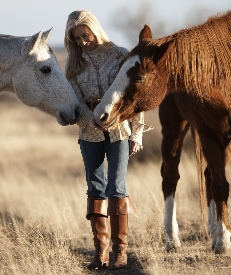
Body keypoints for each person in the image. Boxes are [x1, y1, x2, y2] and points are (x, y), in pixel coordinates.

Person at [64, 10, 152, 270]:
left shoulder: (119, 54)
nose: (82, 42)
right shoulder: (73, 63)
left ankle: (120, 253)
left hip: (119, 131)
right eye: (76, 39)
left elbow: (133, 96)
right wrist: (88, 118)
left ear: (94, 29)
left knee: (117, 187)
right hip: (89, 133)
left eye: (85, 35)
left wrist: (137, 134)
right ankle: (100, 253)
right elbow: (74, 101)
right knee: (95, 189)